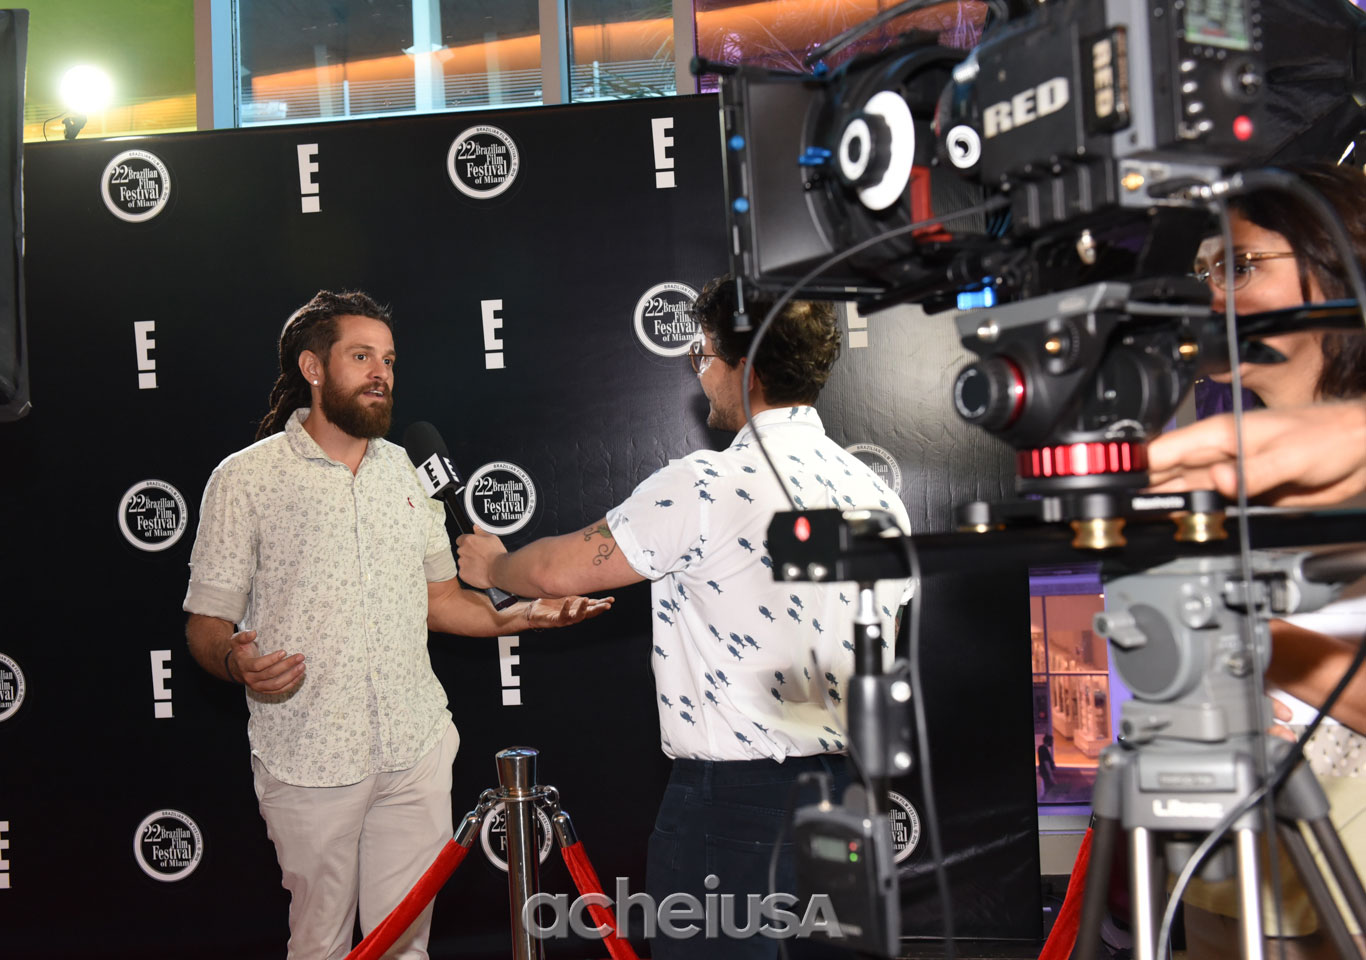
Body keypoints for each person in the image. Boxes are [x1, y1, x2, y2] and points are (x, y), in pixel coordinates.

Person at [455, 276, 913, 959]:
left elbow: (556, 569)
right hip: (850, 798)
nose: (701, 375)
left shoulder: (705, 485)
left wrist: (494, 565)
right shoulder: (879, 496)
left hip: (735, 806)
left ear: (747, 369)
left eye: (703, 355)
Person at [181, 289, 611, 960]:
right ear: (313, 368)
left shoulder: (408, 474)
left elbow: (441, 600)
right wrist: (236, 661)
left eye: (387, 359)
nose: (381, 372)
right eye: (361, 357)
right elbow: (205, 623)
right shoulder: (245, 479)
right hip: (309, 760)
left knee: (406, 947)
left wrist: (526, 615)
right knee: (320, 945)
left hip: (416, 749)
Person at [1145, 162, 1366, 958]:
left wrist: (1247, 640)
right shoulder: (1227, 471)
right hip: (1224, 869)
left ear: (1335, 263)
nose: (1212, 296)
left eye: (1238, 266)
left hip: (1343, 880)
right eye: (1205, 272)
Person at [1037, 733, 1057, 799]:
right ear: (1048, 741)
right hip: (1046, 772)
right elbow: (1046, 763)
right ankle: (1045, 799)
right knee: (1049, 787)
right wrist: (1050, 775)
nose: (1052, 743)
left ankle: (1045, 798)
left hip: (1043, 771)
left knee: (1047, 787)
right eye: (1052, 741)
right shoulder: (1044, 750)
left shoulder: (1041, 748)